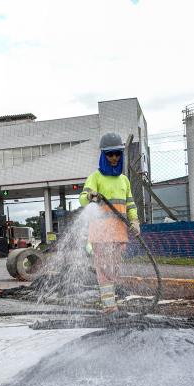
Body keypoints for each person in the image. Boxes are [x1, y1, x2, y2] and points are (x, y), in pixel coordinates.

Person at [79, 132, 140, 313]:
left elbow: (130, 203)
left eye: (117, 154)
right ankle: (109, 307)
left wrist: (135, 221)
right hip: (101, 234)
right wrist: (90, 196)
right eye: (110, 154)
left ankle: (110, 302)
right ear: (103, 156)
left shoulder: (124, 180)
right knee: (104, 271)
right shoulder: (95, 177)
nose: (114, 158)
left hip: (119, 234)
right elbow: (82, 199)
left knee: (113, 271)